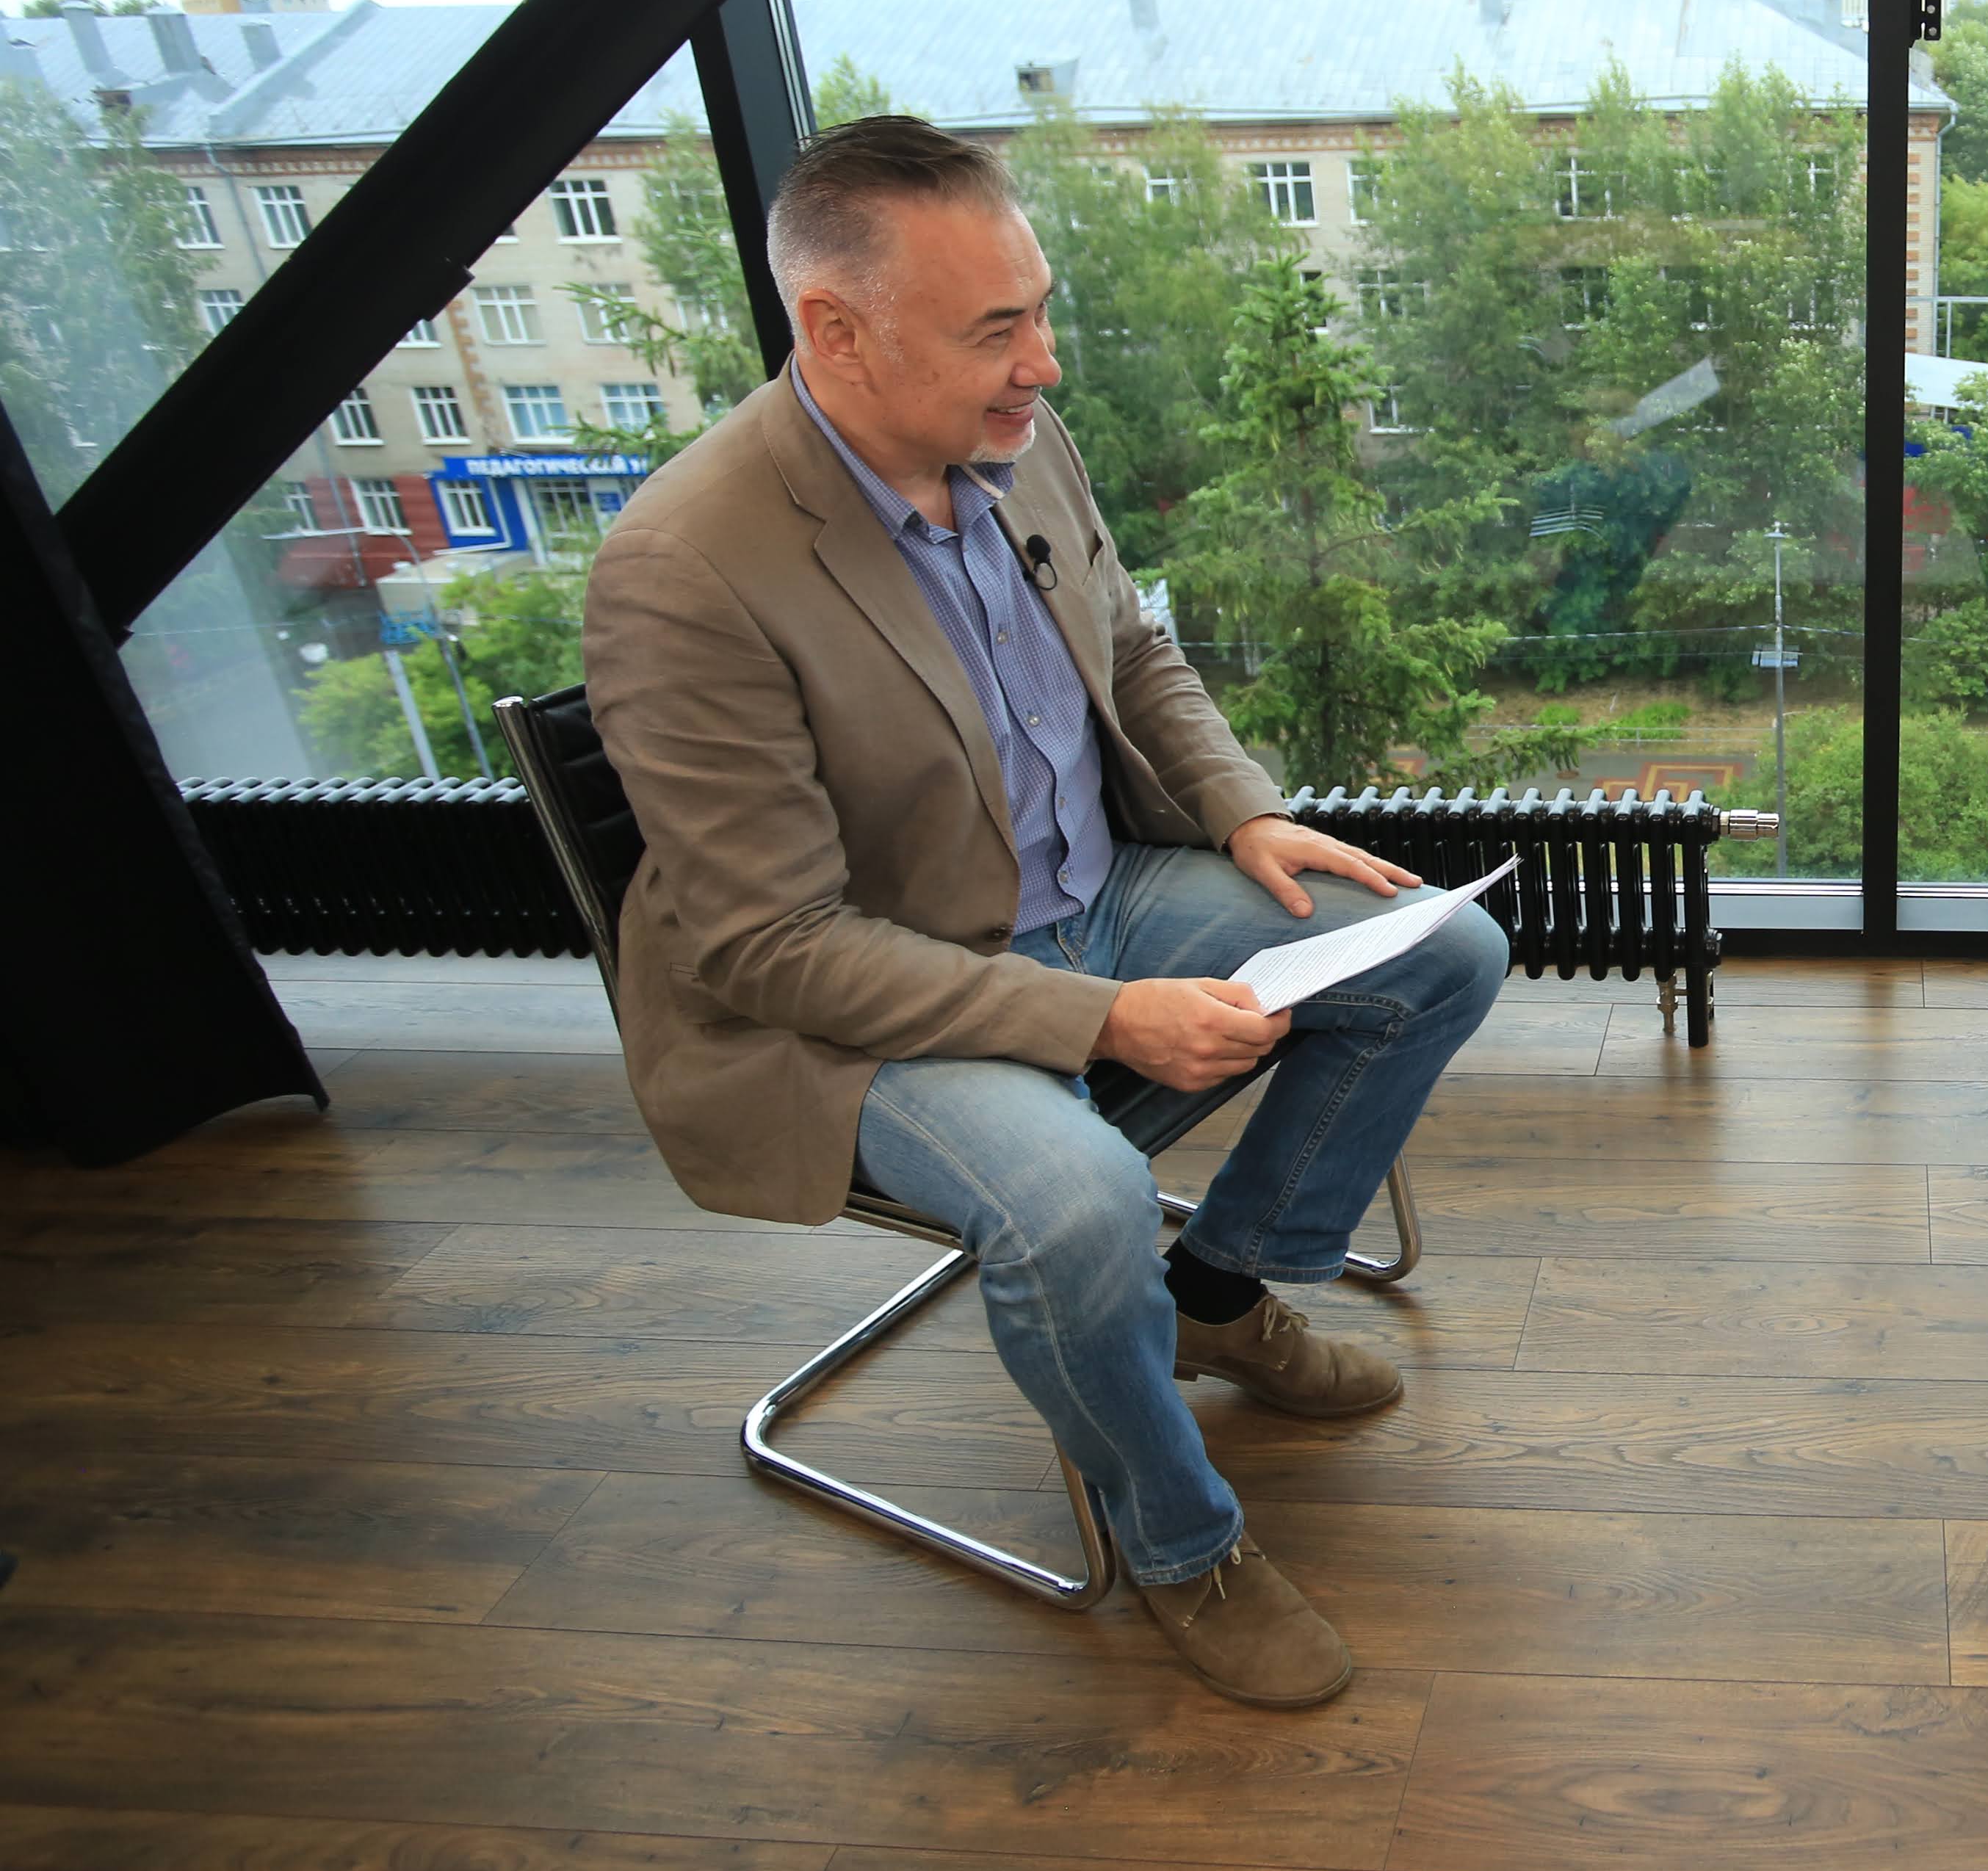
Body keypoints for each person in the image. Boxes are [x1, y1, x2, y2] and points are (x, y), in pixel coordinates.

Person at [583, 115, 1506, 1708]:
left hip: (1091, 888)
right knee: (1078, 1202)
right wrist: (1102, 1021)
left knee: (1441, 951)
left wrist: (1240, 807)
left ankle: (1218, 1294)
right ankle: (1181, 1541)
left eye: (1041, 312)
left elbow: (1133, 652)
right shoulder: (686, 566)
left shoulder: (1014, 435)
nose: (1044, 365)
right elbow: (768, 945)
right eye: (996, 328)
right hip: (865, 998)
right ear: (836, 331)